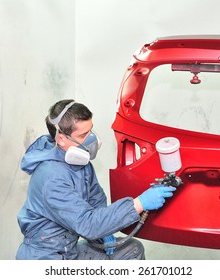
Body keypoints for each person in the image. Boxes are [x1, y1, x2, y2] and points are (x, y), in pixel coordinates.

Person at [16, 99, 176, 260]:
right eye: (83, 135)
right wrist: (140, 203)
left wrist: (102, 233)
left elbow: (96, 199)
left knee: (131, 250)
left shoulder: (80, 163)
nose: (91, 139)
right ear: (62, 139)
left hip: (69, 251)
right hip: (44, 256)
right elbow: (87, 224)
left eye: (90, 131)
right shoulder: (51, 177)